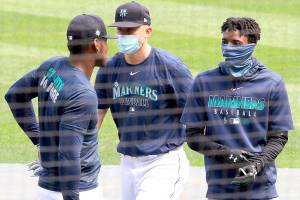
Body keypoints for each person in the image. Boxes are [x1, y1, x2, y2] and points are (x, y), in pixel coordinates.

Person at [180, 17, 294, 200]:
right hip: (219, 188)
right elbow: (192, 136)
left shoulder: (272, 83)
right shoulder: (204, 81)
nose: (228, 48)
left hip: (260, 189)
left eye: (236, 43)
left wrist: (257, 164)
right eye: (224, 42)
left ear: (251, 45)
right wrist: (227, 154)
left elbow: (278, 137)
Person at [5, 14, 113, 200]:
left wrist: (39, 139)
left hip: (46, 188)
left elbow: (14, 95)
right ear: (97, 44)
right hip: (78, 191)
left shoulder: (51, 66)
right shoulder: (83, 95)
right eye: (105, 40)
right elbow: (69, 157)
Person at [95, 1, 193, 200]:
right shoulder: (110, 68)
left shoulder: (170, 67)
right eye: (120, 30)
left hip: (163, 163)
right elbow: (97, 113)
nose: (123, 35)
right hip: (127, 162)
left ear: (148, 31)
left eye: (130, 30)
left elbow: (198, 113)